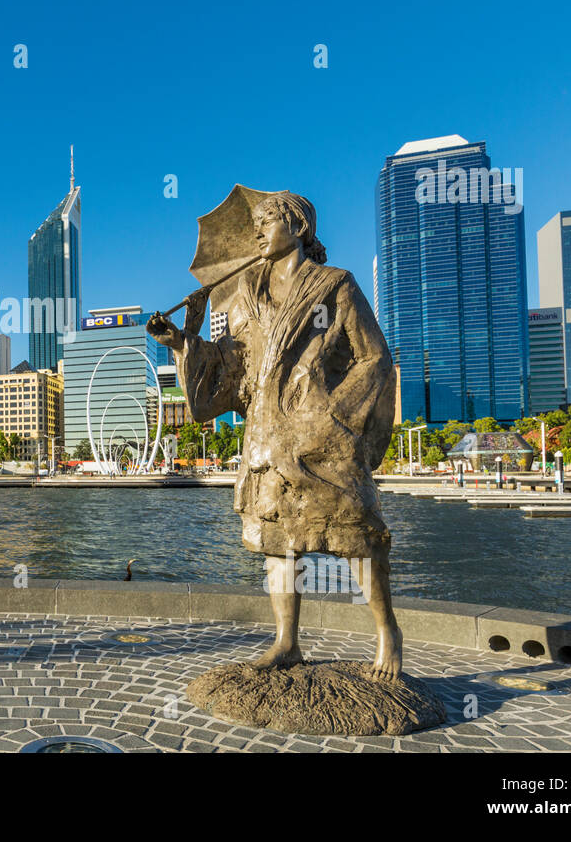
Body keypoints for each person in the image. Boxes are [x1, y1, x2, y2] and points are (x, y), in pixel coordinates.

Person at [148, 191, 402, 679]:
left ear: (300, 226)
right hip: (267, 434)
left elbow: (374, 358)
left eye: (268, 222)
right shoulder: (247, 294)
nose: (259, 232)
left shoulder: (335, 286)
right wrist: (184, 339)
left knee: (356, 536)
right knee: (278, 542)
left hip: (322, 433)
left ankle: (387, 634)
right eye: (256, 226)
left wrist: (331, 414)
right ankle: (287, 641)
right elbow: (234, 363)